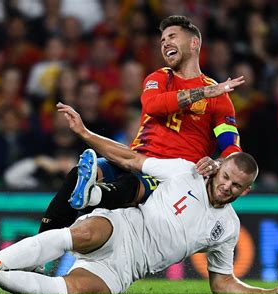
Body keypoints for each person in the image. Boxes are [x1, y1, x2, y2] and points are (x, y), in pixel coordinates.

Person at [0, 104, 278, 294]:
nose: (227, 187)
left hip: (128, 268)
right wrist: (86, 133)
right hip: (126, 227)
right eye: (226, 177)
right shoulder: (187, 171)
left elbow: (221, 282)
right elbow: (132, 159)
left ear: (246, 192)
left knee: (67, 290)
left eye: (237, 186)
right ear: (221, 166)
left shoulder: (228, 227)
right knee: (82, 234)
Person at [38, 15, 244, 233]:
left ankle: (92, 196)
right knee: (77, 175)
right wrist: (203, 92)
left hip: (174, 177)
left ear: (194, 43)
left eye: (172, 37)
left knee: (129, 188)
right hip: (136, 160)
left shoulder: (218, 96)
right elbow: (153, 105)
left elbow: (231, 146)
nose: (165, 44)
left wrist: (218, 164)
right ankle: (40, 248)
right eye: (162, 40)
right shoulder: (159, 78)